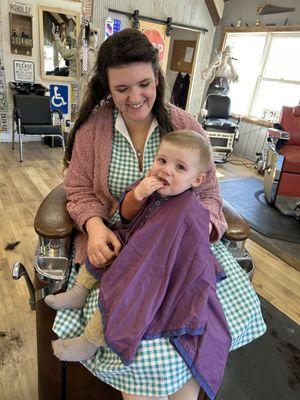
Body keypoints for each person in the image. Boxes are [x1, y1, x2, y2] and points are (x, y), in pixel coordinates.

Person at [53, 29, 266, 400]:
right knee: (142, 346)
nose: (135, 97)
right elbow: (79, 191)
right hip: (119, 248)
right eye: (122, 89)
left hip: (183, 252)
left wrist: (189, 230)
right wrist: (95, 226)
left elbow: (211, 196)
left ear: (157, 77)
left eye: (144, 84)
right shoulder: (92, 131)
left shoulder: (186, 127)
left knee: (190, 333)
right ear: (106, 86)